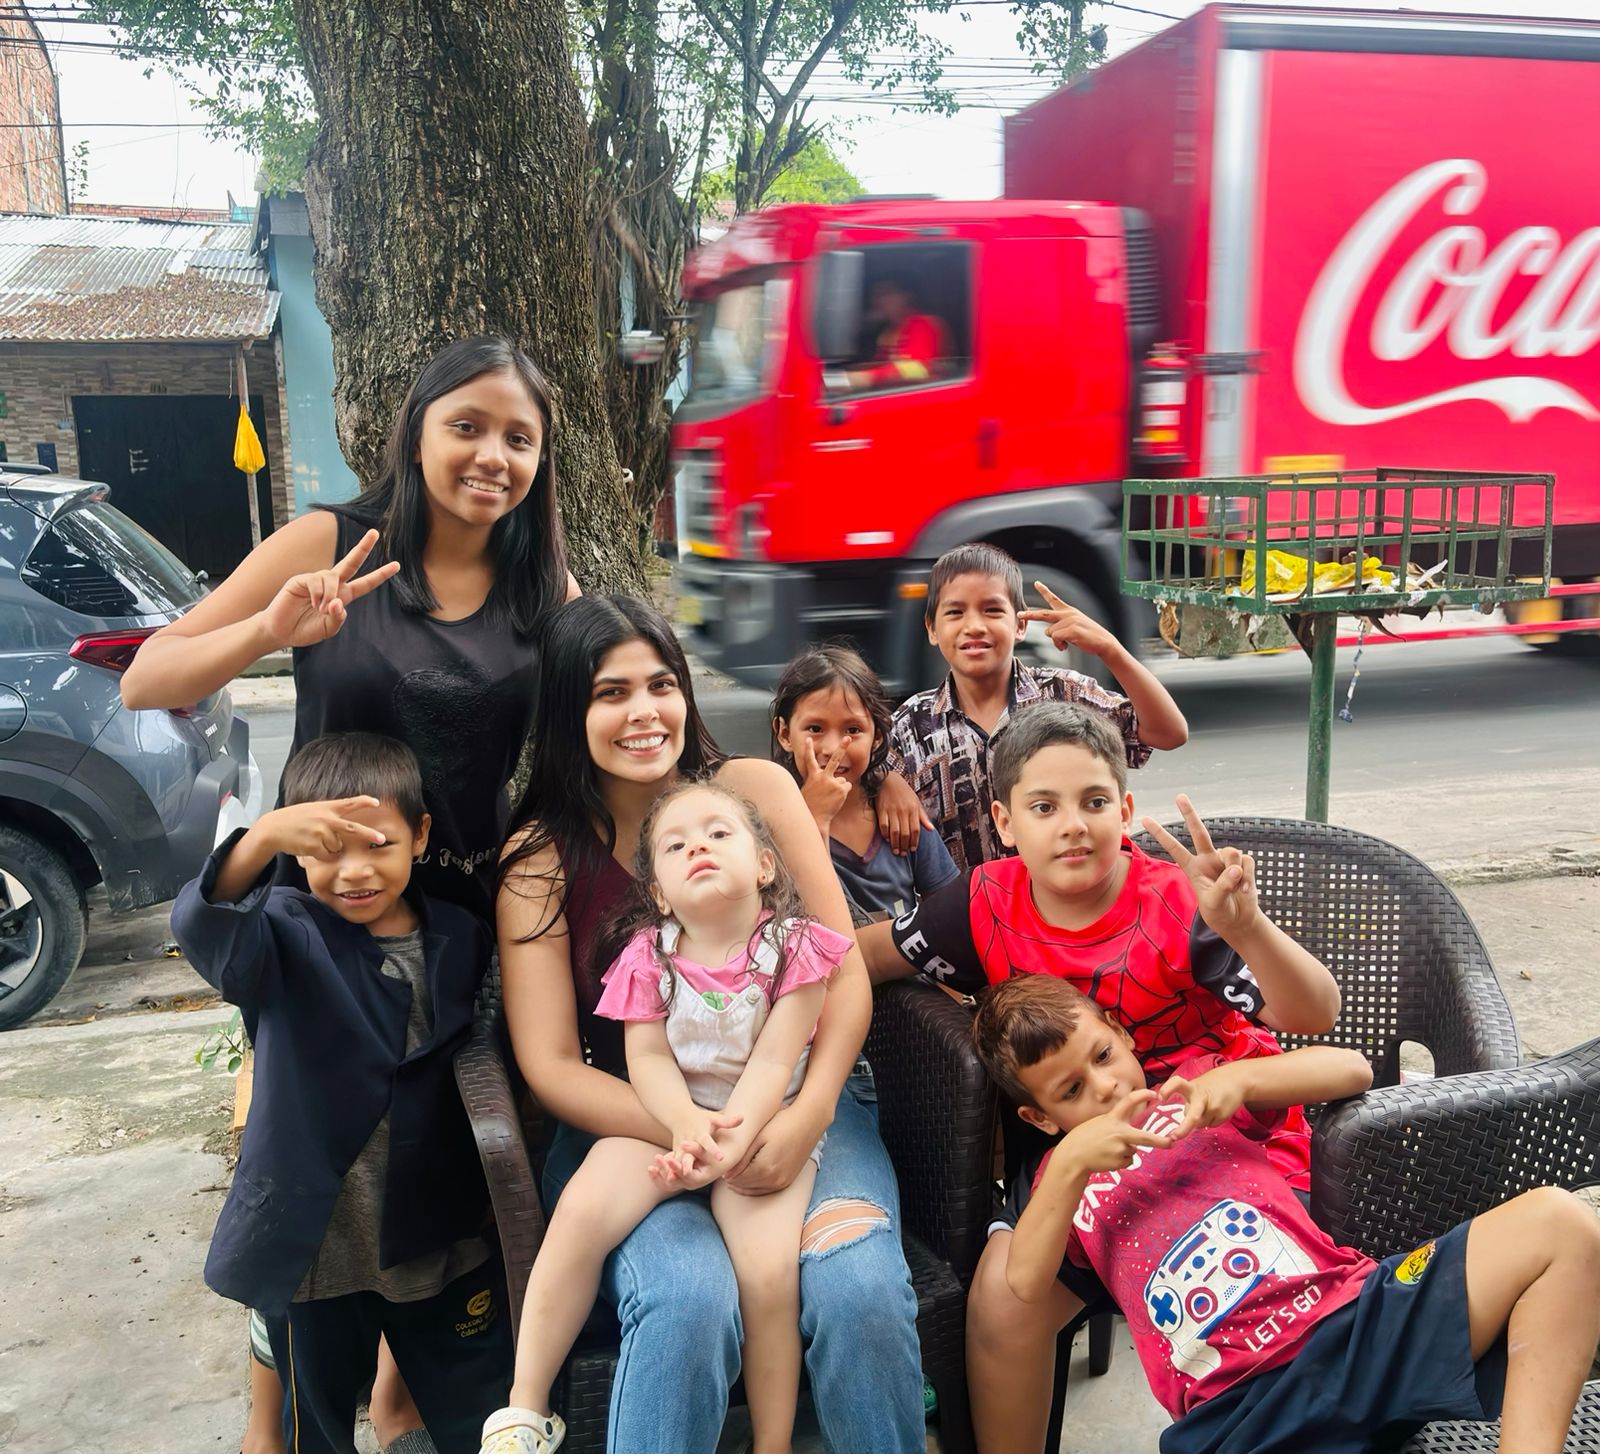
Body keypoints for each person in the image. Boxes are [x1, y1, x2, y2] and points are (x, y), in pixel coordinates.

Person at [122, 335, 576, 1450]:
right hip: (319, 910)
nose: (491, 455)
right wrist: (271, 631)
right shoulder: (329, 539)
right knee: (308, 1156)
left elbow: (597, 721)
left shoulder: (539, 579)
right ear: (417, 426)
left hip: (457, 923)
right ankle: (271, 1417)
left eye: (519, 437)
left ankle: (398, 1391)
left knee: (428, 1166)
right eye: (466, 425)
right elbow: (148, 674)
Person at [495, 594, 926, 1454]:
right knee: (688, 1301)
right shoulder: (540, 859)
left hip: (807, 1099)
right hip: (633, 1119)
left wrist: (798, 1118)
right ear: (568, 710)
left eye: (661, 683)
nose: (644, 712)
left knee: (859, 1287)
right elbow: (549, 1066)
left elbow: (839, 978)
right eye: (610, 692)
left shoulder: (754, 791)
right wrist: (694, 1131)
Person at [859, 702, 1341, 1454]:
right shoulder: (986, 900)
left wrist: (1246, 926)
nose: (1072, 826)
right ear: (1005, 820)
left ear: (1125, 807)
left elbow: (1314, 1014)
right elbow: (866, 957)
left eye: (1092, 802)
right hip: (1079, 1163)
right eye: (1043, 807)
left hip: (1219, 1146)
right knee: (998, 1300)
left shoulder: (1178, 900)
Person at [973, 974, 1600, 1454]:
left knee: (1561, 1224)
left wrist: (1245, 1081)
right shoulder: (1061, 1178)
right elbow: (1024, 1283)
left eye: (1102, 1056)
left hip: (1356, 1322)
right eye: (1071, 1091)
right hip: (1240, 1411)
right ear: (1040, 1118)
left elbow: (1351, 1069)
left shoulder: (1196, 1089)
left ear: (1122, 1032)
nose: (1105, 1086)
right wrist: (1073, 1163)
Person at [481, 781, 851, 1454]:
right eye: (676, 846)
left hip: (761, 1127)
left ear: (764, 865)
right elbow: (645, 1060)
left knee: (767, 1276)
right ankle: (524, 1406)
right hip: (669, 1121)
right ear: (658, 892)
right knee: (583, 1212)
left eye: (717, 833)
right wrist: (684, 1127)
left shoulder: (796, 950)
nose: (698, 848)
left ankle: (772, 1442)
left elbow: (774, 1062)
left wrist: (728, 1143)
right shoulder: (648, 956)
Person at [171, 734, 510, 1454]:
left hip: (440, 1237)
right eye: (326, 848)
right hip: (319, 1252)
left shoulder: (463, 934)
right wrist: (260, 836)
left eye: (378, 845)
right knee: (315, 1427)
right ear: (296, 848)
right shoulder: (282, 936)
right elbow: (205, 923)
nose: (354, 872)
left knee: (482, 1409)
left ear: (420, 837)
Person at [876, 541, 1188, 874]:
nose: (975, 626)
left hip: (1066, 908)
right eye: (955, 612)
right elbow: (856, 776)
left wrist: (1110, 650)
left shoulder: (1064, 693)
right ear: (932, 629)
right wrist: (883, 781)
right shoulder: (910, 725)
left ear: (1021, 625)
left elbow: (1169, 733)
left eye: (992, 610)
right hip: (965, 918)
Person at [771, 643, 959, 922]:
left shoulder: (902, 818)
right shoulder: (771, 831)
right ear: (784, 733)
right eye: (815, 728)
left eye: (853, 730)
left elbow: (952, 913)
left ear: (878, 737)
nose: (835, 747)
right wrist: (813, 820)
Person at [826, 278, 952, 392]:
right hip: (891, 394)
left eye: (886, 294)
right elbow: (882, 366)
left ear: (907, 296)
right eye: (875, 296)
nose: (879, 301)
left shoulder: (923, 324)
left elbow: (917, 369)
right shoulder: (887, 329)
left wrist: (863, 377)